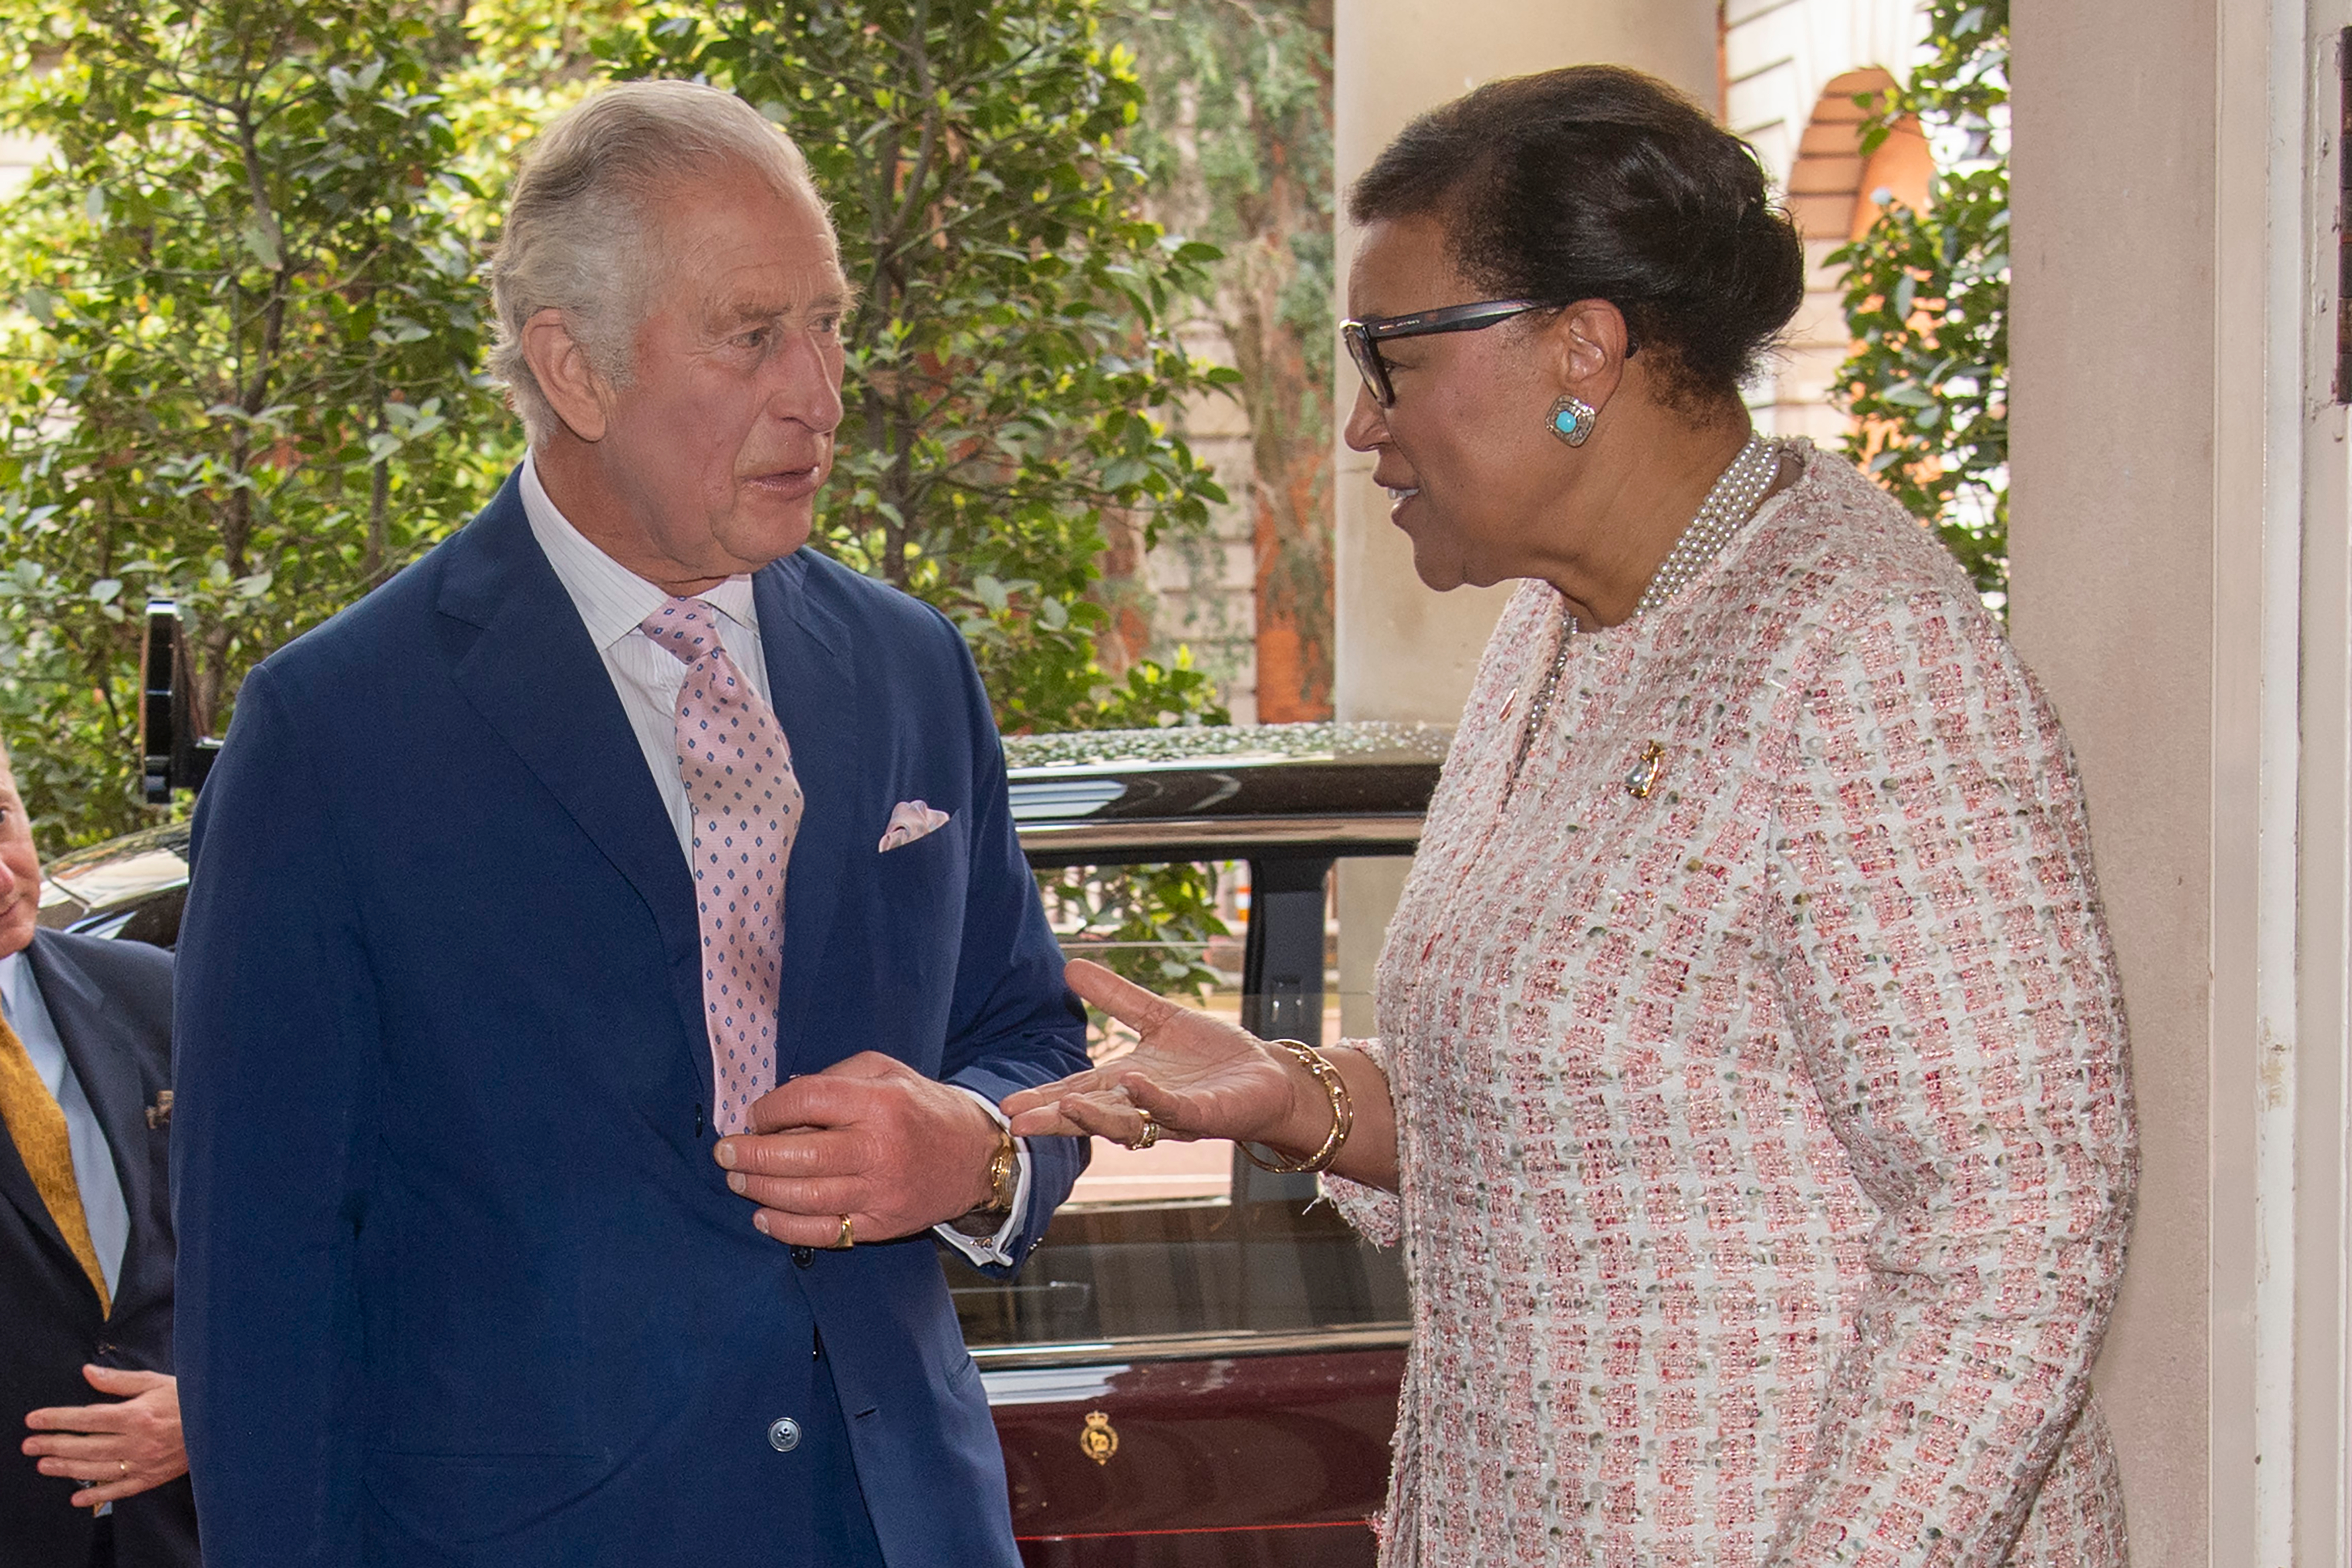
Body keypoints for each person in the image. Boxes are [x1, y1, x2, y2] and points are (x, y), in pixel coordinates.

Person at [1007, 64, 2137, 1568]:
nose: (1362, 424)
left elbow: (2022, 1225)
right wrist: (1299, 1097)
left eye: (1390, 355)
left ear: (1584, 349)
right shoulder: (1561, 633)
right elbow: (1597, 1125)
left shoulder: (1861, 652)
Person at [171, 81, 1088, 1566]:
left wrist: (973, 1159)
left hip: (900, 1524)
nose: (823, 392)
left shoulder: (914, 669)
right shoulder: (333, 734)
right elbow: (262, 1278)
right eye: (752, 336)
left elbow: (1032, 1041)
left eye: (831, 323)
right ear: (575, 371)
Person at [0, 743, 196, 1568]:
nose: (5, 877)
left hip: (186, 1529)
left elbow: (291, 1241)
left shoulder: (158, 992)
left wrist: (212, 1411)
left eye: (0, 819)